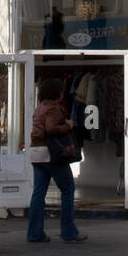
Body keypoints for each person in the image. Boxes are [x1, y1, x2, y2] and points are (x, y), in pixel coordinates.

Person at [27, 77, 86, 243]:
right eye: (61, 90)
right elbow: (51, 129)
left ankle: (34, 233)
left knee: (38, 193)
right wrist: (68, 125)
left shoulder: (39, 108)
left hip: (36, 153)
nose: (63, 93)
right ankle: (68, 231)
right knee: (68, 189)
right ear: (57, 93)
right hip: (51, 154)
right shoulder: (53, 109)